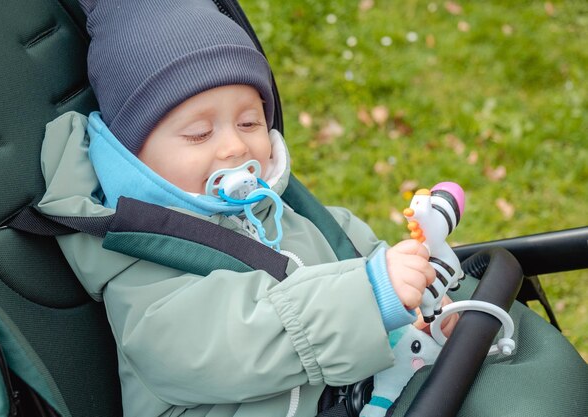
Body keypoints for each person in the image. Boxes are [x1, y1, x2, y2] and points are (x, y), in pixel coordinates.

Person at [37, 0, 455, 416]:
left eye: (250, 122)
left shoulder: (281, 213)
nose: (235, 146)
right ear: (134, 155)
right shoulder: (140, 270)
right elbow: (225, 341)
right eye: (200, 133)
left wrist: (421, 305)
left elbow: (349, 248)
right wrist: (369, 297)